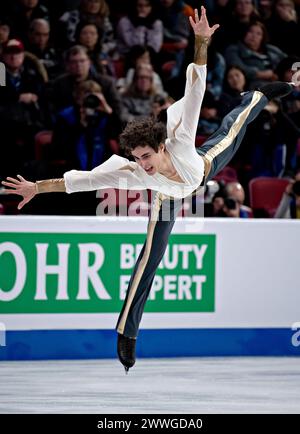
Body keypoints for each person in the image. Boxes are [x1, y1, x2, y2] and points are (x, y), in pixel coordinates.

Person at [1, 6, 294, 372]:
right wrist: (37, 188)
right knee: (149, 260)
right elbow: (81, 180)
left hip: (203, 164)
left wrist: (201, 43)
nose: (142, 164)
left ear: (159, 146)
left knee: (235, 123)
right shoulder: (135, 172)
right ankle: (127, 332)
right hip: (169, 199)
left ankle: (262, 93)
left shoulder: (181, 138)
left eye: (145, 156)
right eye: (136, 158)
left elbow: (197, 85)